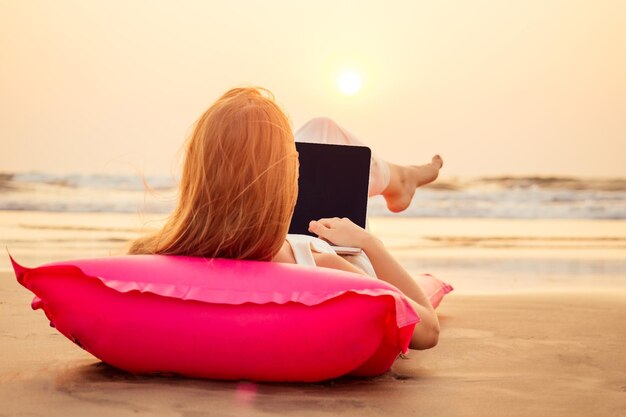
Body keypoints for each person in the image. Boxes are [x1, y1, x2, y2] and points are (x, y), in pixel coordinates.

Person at [127, 87, 444, 350]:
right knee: (325, 130)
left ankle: (398, 178)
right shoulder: (325, 266)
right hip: (321, 242)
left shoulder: (150, 254)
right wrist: (366, 242)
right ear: (290, 178)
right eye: (294, 165)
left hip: (254, 235)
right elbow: (427, 330)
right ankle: (400, 180)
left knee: (319, 131)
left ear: (195, 174)